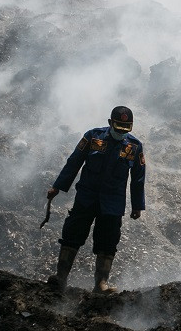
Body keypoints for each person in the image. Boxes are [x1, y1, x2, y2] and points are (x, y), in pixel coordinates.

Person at [46, 106, 146, 293]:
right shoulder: (93, 137)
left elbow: (138, 178)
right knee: (72, 234)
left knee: (108, 241)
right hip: (86, 197)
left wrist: (137, 206)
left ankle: (101, 284)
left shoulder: (134, 147)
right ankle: (60, 278)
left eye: (126, 129)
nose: (121, 132)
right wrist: (57, 186)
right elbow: (74, 161)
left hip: (112, 204)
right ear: (110, 123)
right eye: (118, 128)